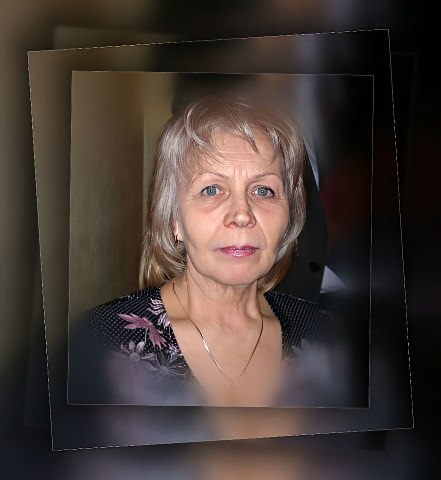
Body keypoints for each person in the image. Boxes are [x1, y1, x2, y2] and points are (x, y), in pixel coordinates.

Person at [88, 95, 333, 407]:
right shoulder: (98, 342)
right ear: (174, 219)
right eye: (212, 189)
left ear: (289, 217)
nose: (242, 214)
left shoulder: (329, 337)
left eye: (263, 190)